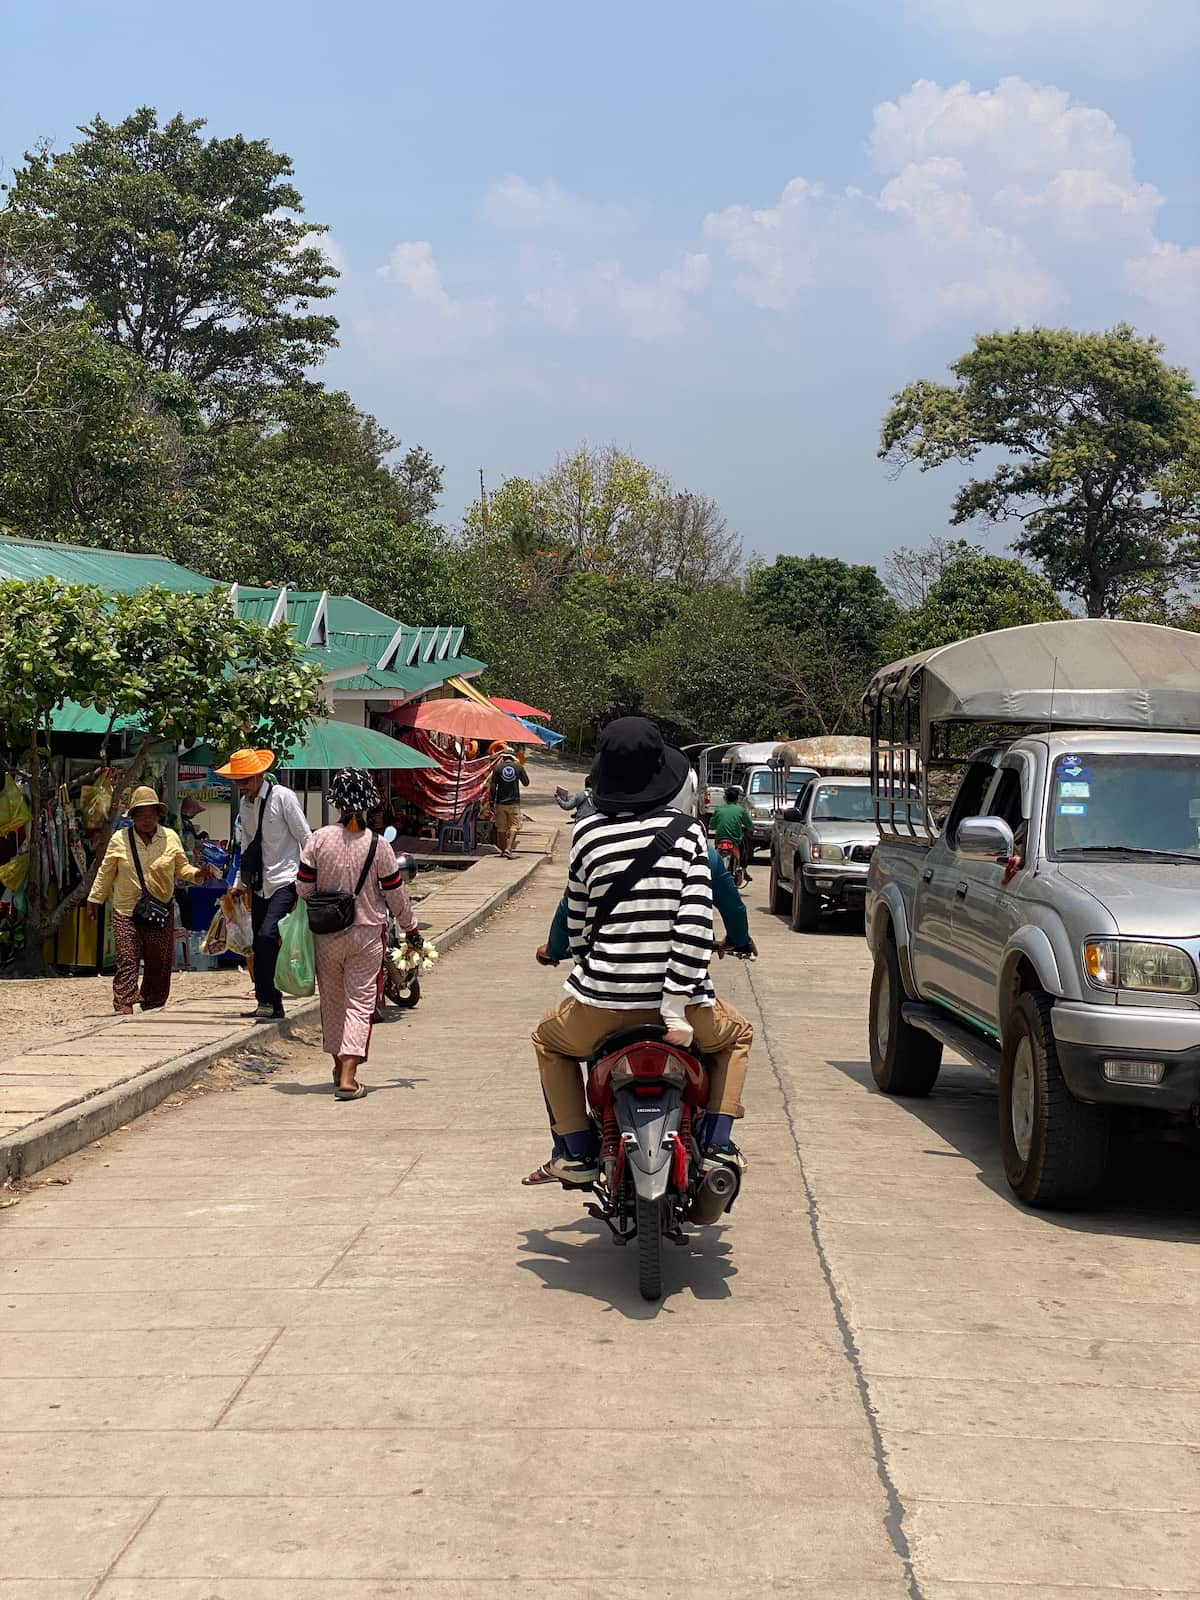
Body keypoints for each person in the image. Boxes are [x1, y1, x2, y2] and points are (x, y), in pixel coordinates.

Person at [529, 717, 754, 1186]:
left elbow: (575, 927)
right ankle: (715, 1144)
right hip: (685, 1009)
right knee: (736, 1037)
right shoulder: (689, 834)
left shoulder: (586, 836)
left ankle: (575, 1149)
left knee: (548, 1040)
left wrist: (594, 963)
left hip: (601, 1005)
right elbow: (695, 924)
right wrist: (673, 1004)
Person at [297, 769, 424, 1100]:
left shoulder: (318, 839)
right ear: (369, 804)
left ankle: (339, 1066)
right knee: (360, 1002)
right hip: (367, 934)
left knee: (333, 1001)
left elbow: (303, 887)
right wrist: (411, 928)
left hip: (327, 936)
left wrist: (328, 898)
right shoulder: (379, 845)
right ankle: (349, 1077)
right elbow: (396, 895)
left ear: (337, 804)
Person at [87, 786, 212, 1014]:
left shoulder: (170, 838)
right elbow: (105, 872)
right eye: (141, 815)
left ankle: (153, 1003)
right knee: (127, 957)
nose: (146, 820)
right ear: (133, 816)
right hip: (126, 910)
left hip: (159, 909)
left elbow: (182, 869)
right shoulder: (120, 839)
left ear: (158, 815)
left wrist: (197, 874)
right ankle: (124, 1003)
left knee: (159, 961)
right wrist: (94, 900)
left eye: (151, 815)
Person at [216, 747, 311, 1022]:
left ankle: (271, 998)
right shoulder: (245, 807)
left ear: (258, 776)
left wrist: (309, 878)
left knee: (268, 936)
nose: (241, 786)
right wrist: (237, 883)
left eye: (244, 780)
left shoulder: (283, 798)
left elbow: (305, 838)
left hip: (286, 879)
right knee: (259, 943)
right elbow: (246, 848)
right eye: (237, 781)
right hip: (258, 884)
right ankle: (268, 1003)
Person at [489, 741, 529, 859]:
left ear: (504, 757)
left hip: (500, 802)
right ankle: (508, 848)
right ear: (513, 757)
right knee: (514, 826)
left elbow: (492, 786)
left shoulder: (497, 768)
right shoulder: (518, 767)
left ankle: (503, 850)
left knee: (501, 827)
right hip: (514, 803)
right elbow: (526, 783)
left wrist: (491, 802)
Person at [711, 784, 756, 881]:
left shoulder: (719, 809)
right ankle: (744, 870)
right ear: (737, 799)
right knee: (743, 850)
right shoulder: (741, 810)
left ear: (725, 798)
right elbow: (750, 826)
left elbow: (712, 825)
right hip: (735, 841)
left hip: (720, 839)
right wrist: (749, 829)